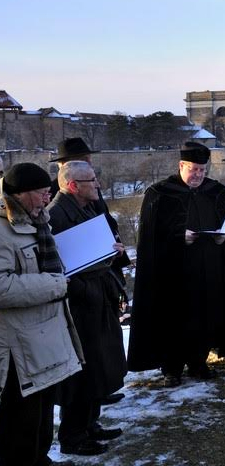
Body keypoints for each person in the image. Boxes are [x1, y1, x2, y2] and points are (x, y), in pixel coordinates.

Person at [128, 142, 225, 387]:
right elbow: (149, 237)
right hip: (173, 273)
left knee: (205, 316)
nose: (198, 175)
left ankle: (198, 361)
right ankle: (172, 367)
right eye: (193, 170)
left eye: (202, 170)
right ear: (181, 165)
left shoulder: (216, 191)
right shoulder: (160, 193)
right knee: (174, 319)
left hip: (208, 270)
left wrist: (223, 236)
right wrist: (178, 236)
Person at [0, 163, 83, 466]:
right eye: (41, 191)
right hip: (18, 350)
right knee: (20, 425)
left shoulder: (38, 221)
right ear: (19, 195)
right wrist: (55, 284)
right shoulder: (3, 230)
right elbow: (2, 286)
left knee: (42, 420)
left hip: (45, 339)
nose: (48, 196)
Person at [48, 161, 127, 456]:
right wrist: (85, 289)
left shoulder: (88, 207)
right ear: (72, 185)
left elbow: (97, 250)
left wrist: (114, 250)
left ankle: (90, 423)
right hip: (81, 304)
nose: (97, 184)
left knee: (99, 365)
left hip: (98, 295)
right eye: (91, 180)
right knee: (83, 370)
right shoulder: (56, 215)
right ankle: (72, 435)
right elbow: (59, 265)